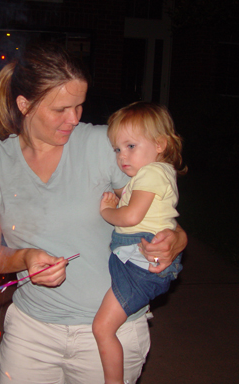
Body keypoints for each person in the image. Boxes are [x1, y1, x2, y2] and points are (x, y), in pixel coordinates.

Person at [0, 41, 187, 384]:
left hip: (111, 330)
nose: (74, 118)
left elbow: (154, 207)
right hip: (32, 333)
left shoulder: (104, 146)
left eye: (80, 105)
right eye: (61, 109)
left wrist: (176, 238)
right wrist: (24, 257)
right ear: (24, 105)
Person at [92, 102, 187, 384]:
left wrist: (107, 211)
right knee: (104, 326)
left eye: (131, 146)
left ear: (159, 144)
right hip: (139, 258)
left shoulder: (152, 173)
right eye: (117, 149)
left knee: (102, 328)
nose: (122, 156)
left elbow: (132, 216)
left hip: (140, 260)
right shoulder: (149, 175)